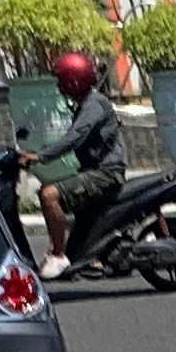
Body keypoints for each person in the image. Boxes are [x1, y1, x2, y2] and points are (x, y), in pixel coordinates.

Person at [37, 48, 124, 267]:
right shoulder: (87, 104)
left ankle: (58, 256)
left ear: (74, 82)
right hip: (94, 171)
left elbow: (74, 137)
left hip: (106, 174)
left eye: (62, 80)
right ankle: (82, 254)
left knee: (49, 195)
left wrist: (40, 156)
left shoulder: (94, 104)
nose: (59, 86)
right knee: (54, 192)